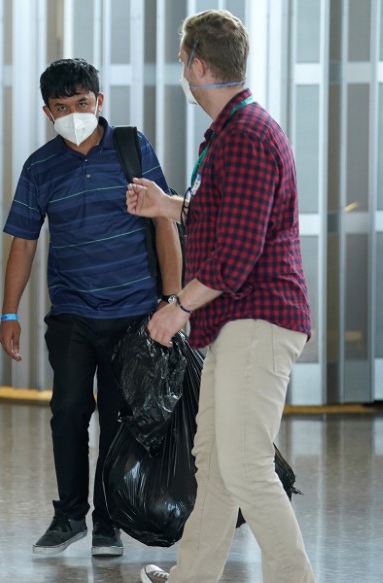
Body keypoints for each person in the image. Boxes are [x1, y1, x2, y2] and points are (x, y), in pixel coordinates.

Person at [131, 10, 314, 583]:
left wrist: (176, 308)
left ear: (199, 64)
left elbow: (236, 254)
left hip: (258, 319)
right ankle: (192, 576)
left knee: (246, 465)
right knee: (213, 463)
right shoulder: (231, 134)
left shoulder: (247, 137)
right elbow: (229, 215)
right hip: (236, 321)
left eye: (184, 62)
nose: (183, 73)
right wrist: (172, 205)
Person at [0, 58, 181, 558]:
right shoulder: (40, 166)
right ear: (47, 112)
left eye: (82, 103)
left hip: (134, 312)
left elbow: (165, 222)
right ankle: (69, 516)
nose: (74, 113)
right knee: (68, 412)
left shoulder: (131, 148)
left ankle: (108, 523)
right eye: (62, 107)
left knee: (119, 421)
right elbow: (23, 241)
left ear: (99, 101)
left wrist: (171, 299)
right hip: (73, 314)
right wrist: (8, 312)